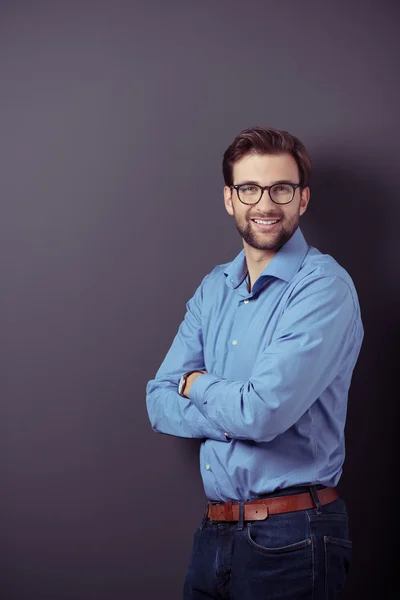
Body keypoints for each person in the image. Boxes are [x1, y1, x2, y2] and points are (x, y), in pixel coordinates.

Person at [146, 126, 364, 599]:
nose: (265, 204)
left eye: (280, 189)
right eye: (249, 188)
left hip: (294, 536)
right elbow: (158, 401)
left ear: (302, 199)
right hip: (214, 534)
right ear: (229, 198)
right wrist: (238, 410)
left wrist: (197, 384)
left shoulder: (323, 288)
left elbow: (261, 414)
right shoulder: (214, 288)